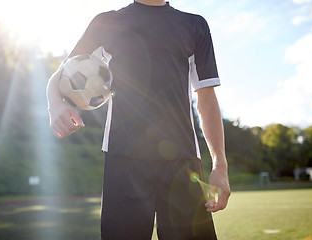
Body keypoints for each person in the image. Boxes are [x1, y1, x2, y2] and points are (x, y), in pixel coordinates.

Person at [46, 0, 231, 239]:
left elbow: (206, 98)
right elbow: (62, 74)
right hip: (123, 159)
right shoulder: (106, 22)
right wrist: (55, 104)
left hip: (183, 164)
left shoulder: (194, 25)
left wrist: (220, 166)